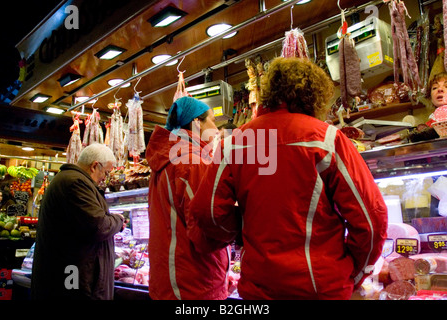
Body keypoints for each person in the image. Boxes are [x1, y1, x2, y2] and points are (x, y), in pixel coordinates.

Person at [189, 57, 388, 300]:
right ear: (315, 94)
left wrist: (237, 230)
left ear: (269, 92)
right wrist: (355, 271)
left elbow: (206, 210)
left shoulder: (233, 143)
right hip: (321, 287)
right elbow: (371, 219)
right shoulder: (327, 139)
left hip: (260, 287)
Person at [145, 96, 229, 300]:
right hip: (194, 284)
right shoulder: (191, 161)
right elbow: (205, 231)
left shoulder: (167, 159)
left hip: (170, 278)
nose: (216, 130)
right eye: (212, 121)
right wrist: (236, 224)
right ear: (196, 123)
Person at [31, 143, 125, 300]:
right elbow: (98, 226)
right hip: (72, 277)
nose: (104, 179)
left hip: (73, 274)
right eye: (106, 172)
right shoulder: (75, 183)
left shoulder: (71, 180)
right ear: (95, 166)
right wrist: (118, 220)